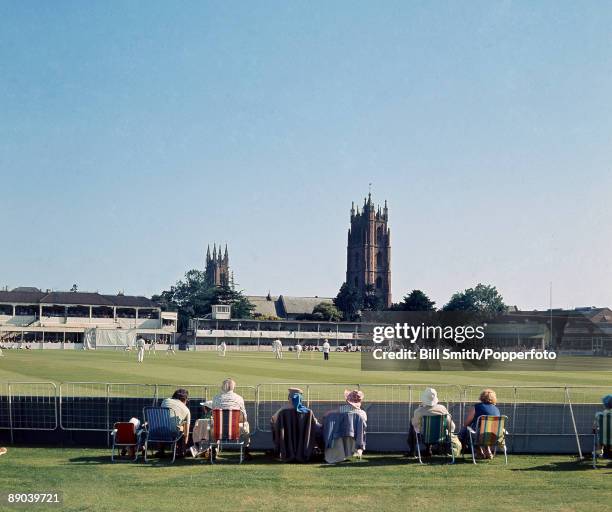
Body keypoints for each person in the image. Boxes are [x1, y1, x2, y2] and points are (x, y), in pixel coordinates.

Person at [410, 388, 460, 458]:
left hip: (425, 437)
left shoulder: (419, 411)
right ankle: (441, 449)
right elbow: (452, 426)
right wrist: (448, 432)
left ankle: (412, 451)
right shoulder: (442, 409)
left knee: (413, 426)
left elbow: (414, 424)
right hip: (441, 437)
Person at [323, 389, 367, 464]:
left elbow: (327, 414)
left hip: (340, 432)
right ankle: (355, 452)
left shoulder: (343, 409)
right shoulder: (362, 413)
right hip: (356, 434)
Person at [212, 378, 252, 459]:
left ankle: (213, 450)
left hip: (219, 429)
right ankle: (246, 450)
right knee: (246, 425)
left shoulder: (216, 398)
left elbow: (214, 414)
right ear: (233, 387)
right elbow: (244, 417)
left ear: (223, 387)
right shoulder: (239, 398)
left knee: (212, 426)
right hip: (235, 429)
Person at [460, 388, 501, 459]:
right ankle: (487, 451)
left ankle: (479, 453)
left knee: (466, 431)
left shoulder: (477, 407)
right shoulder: (496, 409)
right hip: (495, 436)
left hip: (480, 436)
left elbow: (466, 423)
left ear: (482, 397)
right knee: (483, 432)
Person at [159, 388, 191, 456]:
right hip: (173, 432)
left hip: (158, 430)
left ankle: (161, 451)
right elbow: (186, 433)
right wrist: (184, 447)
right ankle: (181, 451)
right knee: (182, 428)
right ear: (185, 399)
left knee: (163, 425)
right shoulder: (186, 410)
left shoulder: (165, 401)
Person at [593, 394, 612, 459]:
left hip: (603, 440)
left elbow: (594, 428)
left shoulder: (598, 415)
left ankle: (599, 452)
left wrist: (597, 429)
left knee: (599, 439)